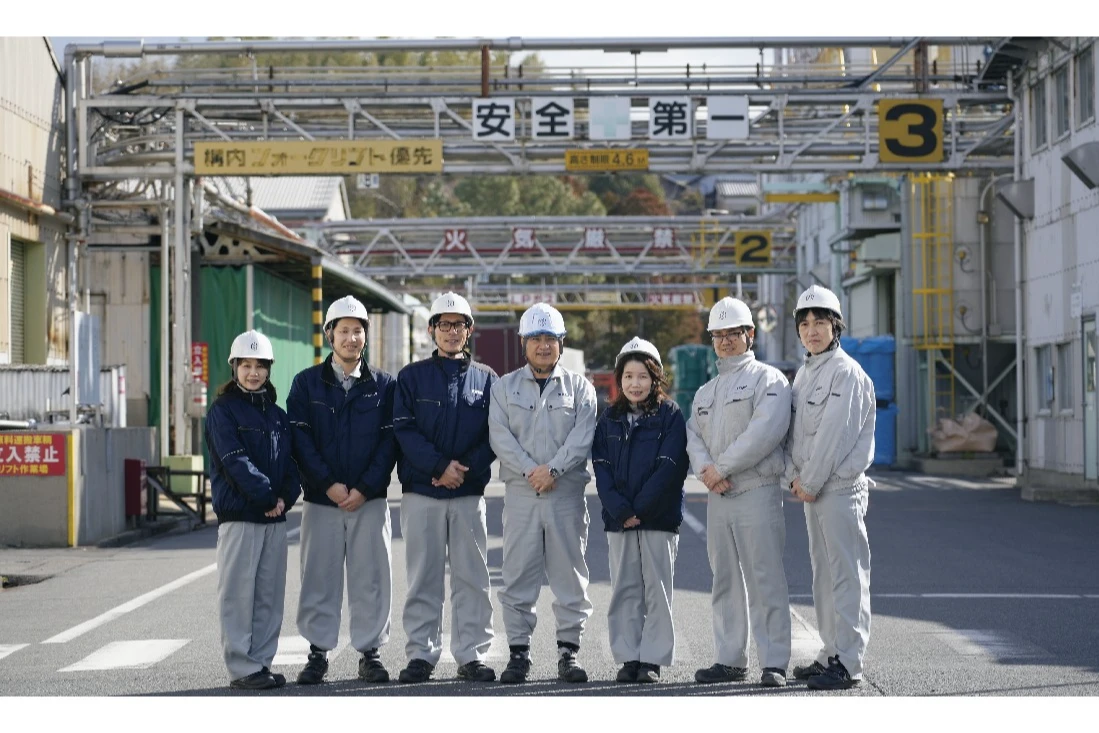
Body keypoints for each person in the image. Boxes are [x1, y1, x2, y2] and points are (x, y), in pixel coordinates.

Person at [287, 295, 399, 685]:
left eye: (358, 331)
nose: (352, 338)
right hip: (323, 501)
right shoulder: (306, 384)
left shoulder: (384, 385)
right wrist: (328, 485)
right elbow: (300, 441)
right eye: (344, 330)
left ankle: (371, 653)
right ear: (330, 335)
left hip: (369, 500)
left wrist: (365, 488)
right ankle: (317, 653)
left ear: (366, 336)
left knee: (372, 577)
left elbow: (390, 442)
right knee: (319, 576)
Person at [686, 296, 794, 688]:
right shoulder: (706, 391)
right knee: (725, 580)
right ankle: (730, 659)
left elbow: (764, 433)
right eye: (719, 335)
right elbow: (693, 436)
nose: (726, 340)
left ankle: (774, 661)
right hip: (718, 495)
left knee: (766, 578)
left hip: (756, 490)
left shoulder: (769, 380)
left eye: (734, 333)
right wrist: (706, 471)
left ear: (750, 334)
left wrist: (721, 468)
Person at [488, 302, 598, 684]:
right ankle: (519, 654)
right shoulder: (503, 388)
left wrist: (553, 470)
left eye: (550, 338)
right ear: (524, 343)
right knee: (517, 576)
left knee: (570, 577)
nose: (543, 345)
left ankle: (569, 653)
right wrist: (530, 471)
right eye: (535, 338)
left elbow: (582, 437)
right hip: (522, 495)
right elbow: (500, 436)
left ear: (561, 343)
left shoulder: (581, 388)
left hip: (565, 495)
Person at [392, 292, 499, 684]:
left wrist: (461, 471)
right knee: (423, 578)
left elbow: (494, 434)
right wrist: (439, 467)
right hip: (423, 492)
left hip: (468, 494)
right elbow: (404, 430)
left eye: (459, 325)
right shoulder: (411, 377)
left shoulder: (487, 379)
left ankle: (472, 654)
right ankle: (421, 654)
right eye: (444, 324)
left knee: (473, 578)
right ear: (431, 329)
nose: (452, 331)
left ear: (469, 330)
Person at [785, 284, 876, 691]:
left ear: (835, 326)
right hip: (812, 489)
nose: (812, 330)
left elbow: (833, 438)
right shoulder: (806, 373)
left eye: (820, 322)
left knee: (847, 576)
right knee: (823, 576)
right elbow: (793, 433)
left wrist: (808, 481)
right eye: (805, 324)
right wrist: (794, 476)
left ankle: (849, 662)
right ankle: (830, 651)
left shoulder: (846, 373)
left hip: (838, 489)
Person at [205, 330, 302, 690]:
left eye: (260, 366)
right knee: (238, 595)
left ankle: (261, 663)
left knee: (269, 596)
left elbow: (293, 464)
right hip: (241, 518)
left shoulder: (277, 415)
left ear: (268, 369)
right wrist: (268, 497)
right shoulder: (223, 411)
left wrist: (285, 498)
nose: (253, 373)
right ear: (234, 368)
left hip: (274, 517)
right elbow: (234, 461)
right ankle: (241, 668)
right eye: (246, 365)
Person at [591, 337, 688, 684]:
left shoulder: (670, 415)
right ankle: (628, 656)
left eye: (643, 376)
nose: (635, 384)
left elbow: (670, 467)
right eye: (629, 376)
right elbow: (601, 468)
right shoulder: (609, 419)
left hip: (657, 518)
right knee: (625, 588)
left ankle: (652, 659)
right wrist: (620, 510)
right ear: (620, 379)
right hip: (619, 520)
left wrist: (640, 509)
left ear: (655, 377)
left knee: (657, 589)